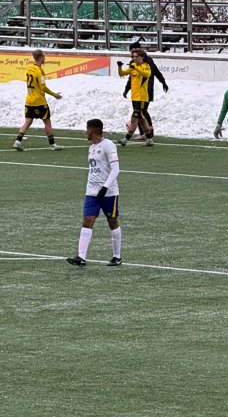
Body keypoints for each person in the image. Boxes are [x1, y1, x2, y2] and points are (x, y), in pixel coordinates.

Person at [66, 118, 122, 267]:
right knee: (88, 221)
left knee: (112, 221)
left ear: (94, 130)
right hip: (91, 192)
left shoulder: (108, 145)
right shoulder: (91, 148)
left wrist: (105, 188)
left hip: (109, 192)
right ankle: (81, 257)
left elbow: (116, 169)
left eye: (87, 129)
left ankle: (117, 256)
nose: (86, 132)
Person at [13, 48, 64, 151]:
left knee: (27, 122)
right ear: (40, 57)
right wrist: (54, 95)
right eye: (44, 56)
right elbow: (43, 87)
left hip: (29, 100)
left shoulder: (29, 69)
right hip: (39, 101)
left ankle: (17, 142)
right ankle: (53, 145)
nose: (45, 58)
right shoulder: (39, 71)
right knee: (47, 122)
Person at [122, 40, 168, 143]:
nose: (132, 54)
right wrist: (127, 89)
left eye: (134, 51)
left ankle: (145, 133)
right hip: (137, 92)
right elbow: (131, 78)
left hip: (146, 91)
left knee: (140, 112)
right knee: (140, 112)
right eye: (131, 52)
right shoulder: (133, 62)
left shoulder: (147, 61)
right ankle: (146, 133)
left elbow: (156, 72)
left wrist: (163, 82)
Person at [117, 47, 155, 146]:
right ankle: (149, 139)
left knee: (134, 118)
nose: (134, 58)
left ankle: (126, 139)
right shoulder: (133, 66)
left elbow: (146, 74)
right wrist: (119, 67)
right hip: (134, 97)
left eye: (136, 57)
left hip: (142, 98)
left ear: (141, 57)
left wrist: (136, 68)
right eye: (133, 56)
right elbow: (122, 73)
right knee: (142, 119)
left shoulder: (145, 66)